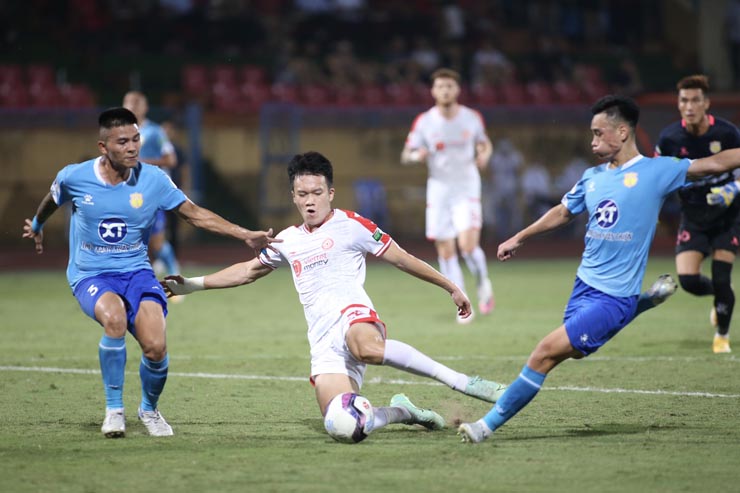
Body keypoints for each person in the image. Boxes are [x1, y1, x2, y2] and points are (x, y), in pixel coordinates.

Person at [163, 151, 507, 440]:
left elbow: (402, 258)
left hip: (353, 317)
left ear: (330, 193)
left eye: (316, 192)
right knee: (343, 425)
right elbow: (247, 271)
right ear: (293, 196)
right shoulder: (287, 240)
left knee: (366, 348)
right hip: (323, 341)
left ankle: (461, 381)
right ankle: (404, 412)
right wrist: (192, 284)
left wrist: (451, 286)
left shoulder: (353, 225)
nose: (309, 201)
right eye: (302, 194)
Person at [457, 94, 740, 444]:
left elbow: (713, 164)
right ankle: (647, 301)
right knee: (573, 351)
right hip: (583, 287)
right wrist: (520, 237)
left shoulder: (657, 171)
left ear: (622, 132)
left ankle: (484, 427)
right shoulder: (591, 177)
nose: (592, 141)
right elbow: (563, 211)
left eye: (598, 133)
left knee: (543, 353)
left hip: (614, 297)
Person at [22, 107, 278, 438]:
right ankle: (114, 410)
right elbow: (52, 198)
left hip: (137, 273)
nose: (132, 147)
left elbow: (194, 214)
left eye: (136, 139)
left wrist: (244, 234)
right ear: (103, 147)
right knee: (114, 319)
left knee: (156, 347)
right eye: (123, 142)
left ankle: (149, 409)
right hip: (91, 274)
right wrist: (37, 224)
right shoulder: (75, 176)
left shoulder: (154, 179)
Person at [654, 75, 740, 353]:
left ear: (706, 104)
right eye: (684, 100)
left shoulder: (727, 134)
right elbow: (656, 177)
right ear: (678, 104)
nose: (689, 106)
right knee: (689, 281)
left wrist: (734, 188)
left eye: (695, 100)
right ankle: (722, 295)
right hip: (693, 216)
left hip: (728, 216)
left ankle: (722, 337)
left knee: (721, 275)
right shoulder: (669, 139)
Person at [401, 68, 494, 323]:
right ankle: (462, 302)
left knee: (467, 245)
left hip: (466, 187)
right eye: (440, 86)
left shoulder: (471, 118)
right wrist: (417, 156)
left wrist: (484, 154)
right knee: (445, 249)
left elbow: (484, 143)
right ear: (433, 91)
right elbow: (406, 154)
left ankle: (483, 282)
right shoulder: (425, 121)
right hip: (439, 189)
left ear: (457, 90)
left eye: (449, 86)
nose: (445, 91)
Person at [123, 91, 180, 279]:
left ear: (145, 108)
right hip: (126, 192)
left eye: (136, 103)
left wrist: (142, 162)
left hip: (150, 193)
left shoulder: (155, 131)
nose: (131, 107)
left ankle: (174, 274)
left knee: (157, 242)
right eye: (128, 103)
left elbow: (171, 160)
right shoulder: (119, 133)